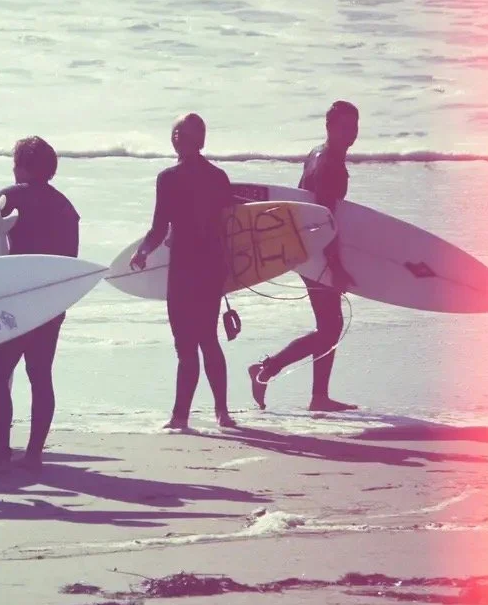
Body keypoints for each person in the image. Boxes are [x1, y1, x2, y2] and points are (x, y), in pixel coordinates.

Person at [0, 136, 79, 472]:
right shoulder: (66, 208)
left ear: (22, 165)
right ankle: (34, 454)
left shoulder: (10, 196)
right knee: (40, 375)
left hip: (16, 304)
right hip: (49, 303)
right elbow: (70, 266)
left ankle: (0, 455)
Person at [248, 101, 359, 412]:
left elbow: (307, 207)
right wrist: (334, 266)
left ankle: (318, 397)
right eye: (344, 127)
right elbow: (325, 220)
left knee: (330, 324)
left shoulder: (318, 153)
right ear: (329, 127)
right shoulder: (330, 166)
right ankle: (267, 369)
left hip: (306, 248)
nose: (351, 134)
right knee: (330, 326)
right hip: (317, 252)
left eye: (354, 127)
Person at [129, 114, 235, 430]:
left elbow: (160, 228)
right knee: (209, 340)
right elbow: (230, 227)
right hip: (212, 269)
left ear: (177, 138)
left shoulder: (169, 178)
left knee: (185, 345)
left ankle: (180, 417)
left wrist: (142, 252)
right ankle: (222, 413)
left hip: (185, 270)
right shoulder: (219, 177)